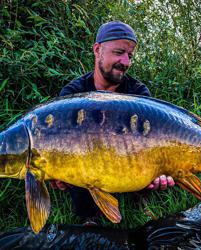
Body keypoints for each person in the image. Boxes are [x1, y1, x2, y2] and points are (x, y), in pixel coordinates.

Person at [50, 20, 175, 223]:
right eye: (119, 53)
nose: (125, 62)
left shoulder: (139, 95)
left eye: (130, 55)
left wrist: (162, 170)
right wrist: (56, 173)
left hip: (130, 165)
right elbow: (57, 143)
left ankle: (138, 205)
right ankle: (89, 216)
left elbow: (158, 141)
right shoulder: (72, 95)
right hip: (87, 169)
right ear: (98, 50)